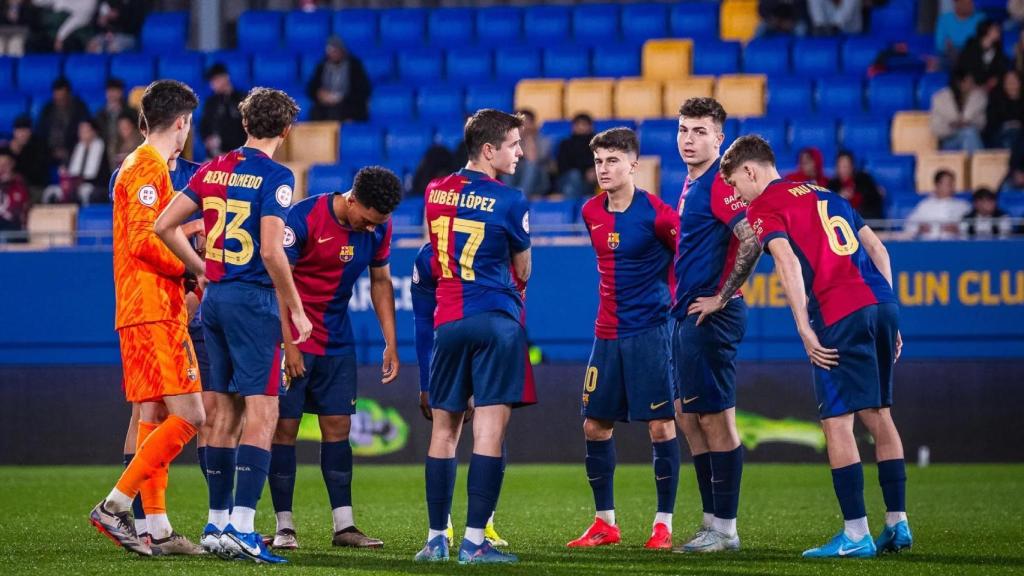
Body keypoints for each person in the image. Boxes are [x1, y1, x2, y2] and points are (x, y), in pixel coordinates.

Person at [721, 134, 912, 559]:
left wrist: (805, 329)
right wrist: (887, 308)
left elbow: (786, 262)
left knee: (838, 422)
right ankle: (897, 523)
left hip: (838, 313)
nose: (736, 194)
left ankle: (856, 533)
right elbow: (877, 247)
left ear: (750, 171)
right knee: (879, 414)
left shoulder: (764, 205)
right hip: (880, 304)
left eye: (735, 184)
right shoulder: (827, 192)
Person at [154, 87, 313, 565]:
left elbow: (164, 226)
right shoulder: (277, 176)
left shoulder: (213, 168)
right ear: (286, 130)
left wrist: (201, 269)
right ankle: (244, 527)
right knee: (262, 413)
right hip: (252, 301)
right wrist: (297, 307)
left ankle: (217, 524)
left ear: (245, 124)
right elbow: (270, 251)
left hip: (215, 301)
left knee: (221, 414)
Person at [88, 79, 205, 558]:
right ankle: (116, 505)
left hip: (146, 308)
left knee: (153, 415)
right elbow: (143, 239)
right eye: (188, 125)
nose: (187, 133)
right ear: (180, 123)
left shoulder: (144, 167)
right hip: (152, 308)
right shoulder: (146, 167)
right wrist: (192, 267)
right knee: (192, 415)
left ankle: (155, 527)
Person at [414, 109, 533, 565]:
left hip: (448, 321)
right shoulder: (511, 200)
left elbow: (432, 251)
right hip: (494, 318)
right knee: (489, 430)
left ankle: (435, 540)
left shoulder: (434, 191)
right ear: (489, 150)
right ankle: (473, 541)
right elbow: (523, 269)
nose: (520, 152)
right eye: (513, 144)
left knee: (444, 432)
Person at [265, 166, 402, 550]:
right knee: (284, 430)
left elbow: (380, 282)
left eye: (379, 224)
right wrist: (288, 343)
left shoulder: (378, 228)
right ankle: (284, 527)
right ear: (353, 199)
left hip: (337, 342)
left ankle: (344, 526)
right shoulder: (304, 217)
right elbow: (279, 280)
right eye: (367, 220)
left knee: (339, 428)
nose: (370, 229)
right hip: (295, 339)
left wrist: (390, 341)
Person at [566, 128, 681, 550]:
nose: (604, 169)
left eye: (613, 160)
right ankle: (605, 523)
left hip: (650, 332)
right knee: (594, 425)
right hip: (606, 334)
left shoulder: (658, 214)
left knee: (660, 424)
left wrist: (671, 304)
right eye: (599, 161)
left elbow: (684, 262)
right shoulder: (590, 210)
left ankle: (663, 524)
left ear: (634, 165)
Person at [671, 97, 762, 554]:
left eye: (700, 131)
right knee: (689, 417)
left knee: (715, 417)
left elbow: (752, 238)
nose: (690, 139)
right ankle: (712, 521)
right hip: (687, 313)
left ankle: (725, 528)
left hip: (714, 315)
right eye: (684, 130)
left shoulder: (720, 185)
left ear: (719, 138)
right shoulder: (690, 183)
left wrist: (722, 297)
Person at [411, 239, 516, 550]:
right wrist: (426, 382)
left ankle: (449, 535)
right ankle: (458, 533)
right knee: (486, 429)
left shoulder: (434, 253)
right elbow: (421, 320)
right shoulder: (432, 256)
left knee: (469, 430)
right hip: (471, 341)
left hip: (459, 339)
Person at [307, 36, 371, 123]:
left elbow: (362, 90)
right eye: (330, 51)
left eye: (335, 50)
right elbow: (311, 89)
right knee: (316, 113)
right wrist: (320, 94)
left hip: (348, 104)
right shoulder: (322, 66)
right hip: (326, 106)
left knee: (345, 112)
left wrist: (341, 98)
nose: (333, 54)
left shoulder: (354, 66)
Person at [37, 77, 90, 170]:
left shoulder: (79, 108)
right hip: (49, 151)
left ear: (69, 94)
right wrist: (51, 151)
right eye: (57, 97)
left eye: (63, 97)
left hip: (72, 150)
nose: (60, 100)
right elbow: (41, 131)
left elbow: (84, 132)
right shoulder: (47, 109)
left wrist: (67, 150)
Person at [930, 68, 987, 152]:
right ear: (959, 83)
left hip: (972, 136)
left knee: (969, 133)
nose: (971, 84)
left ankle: (973, 162)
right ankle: (978, 162)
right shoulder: (940, 98)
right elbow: (935, 128)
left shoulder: (978, 98)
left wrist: (968, 123)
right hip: (949, 140)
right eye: (968, 81)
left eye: (972, 81)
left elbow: (982, 123)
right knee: (969, 133)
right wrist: (952, 127)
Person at [904, 169, 971, 239]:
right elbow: (909, 225)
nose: (952, 187)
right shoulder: (925, 205)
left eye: (952, 184)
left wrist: (958, 228)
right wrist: (920, 228)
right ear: (937, 185)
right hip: (929, 245)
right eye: (948, 184)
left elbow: (973, 226)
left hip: (955, 245)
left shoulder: (963, 205)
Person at [199, 63, 246, 158]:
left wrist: (222, 140)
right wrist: (208, 140)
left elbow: (244, 129)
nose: (212, 85)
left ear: (225, 77)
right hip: (215, 156)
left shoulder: (242, 99)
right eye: (211, 81)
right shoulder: (211, 102)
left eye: (215, 80)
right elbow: (204, 126)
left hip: (239, 155)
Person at [501, 109, 551, 197]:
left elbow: (533, 159)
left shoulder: (544, 141)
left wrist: (529, 139)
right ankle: (509, 194)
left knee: (530, 164)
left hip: (538, 181)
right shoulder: (509, 140)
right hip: (515, 179)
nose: (524, 127)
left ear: (533, 124)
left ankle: (521, 196)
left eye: (527, 123)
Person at [94, 78, 138, 168]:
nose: (112, 94)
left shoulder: (131, 112)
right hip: (105, 152)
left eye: (115, 91)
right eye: (109, 91)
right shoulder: (100, 114)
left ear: (121, 92)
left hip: (127, 149)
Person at [827, 151, 884, 220]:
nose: (843, 170)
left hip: (866, 221)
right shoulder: (832, 185)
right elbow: (828, 209)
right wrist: (840, 198)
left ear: (852, 166)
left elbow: (874, 202)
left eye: (846, 166)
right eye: (840, 166)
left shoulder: (864, 179)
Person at [956, 19, 1008, 91]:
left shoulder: (998, 50)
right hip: (971, 86)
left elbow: (1001, 70)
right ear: (986, 30)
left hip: (989, 89)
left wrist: (995, 79)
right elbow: (962, 68)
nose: (999, 31)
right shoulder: (971, 47)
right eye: (995, 29)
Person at [5, 114, 48, 196]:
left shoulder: (40, 146)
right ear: (14, 132)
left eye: (25, 130)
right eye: (19, 131)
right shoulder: (9, 147)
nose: (22, 134)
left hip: (34, 187)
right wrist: (13, 153)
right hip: (11, 187)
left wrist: (18, 154)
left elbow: (37, 174)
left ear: (30, 131)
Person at [556, 113, 596, 198]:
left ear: (590, 127)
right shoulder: (565, 144)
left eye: (584, 124)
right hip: (567, 179)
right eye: (578, 124)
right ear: (573, 127)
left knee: (570, 188)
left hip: (590, 182)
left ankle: (571, 207)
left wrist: (595, 171)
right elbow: (563, 166)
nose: (581, 127)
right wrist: (584, 171)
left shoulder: (598, 145)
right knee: (574, 175)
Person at [984, 70, 1024, 148]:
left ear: (1020, 83)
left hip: (1020, 135)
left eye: (1014, 80)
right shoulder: (996, 100)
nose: (1011, 84)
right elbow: (991, 125)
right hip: (1000, 135)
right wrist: (1008, 125)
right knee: (1009, 137)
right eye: (1008, 81)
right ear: (1004, 84)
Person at [0, 146, 30, 236]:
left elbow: (24, 211)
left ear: (12, 164)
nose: (2, 169)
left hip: (13, 230)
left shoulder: (20, 185)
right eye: (0, 165)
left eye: (5, 165)